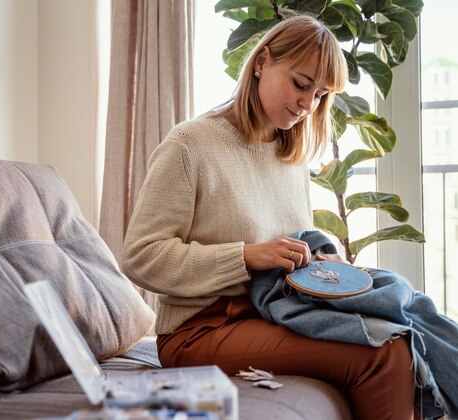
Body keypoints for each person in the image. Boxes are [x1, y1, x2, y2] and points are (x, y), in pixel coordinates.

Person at [121, 15, 417, 420]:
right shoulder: (190, 145)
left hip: (276, 310)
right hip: (200, 331)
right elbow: (141, 256)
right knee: (385, 352)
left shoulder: (289, 156)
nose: (307, 104)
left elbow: (290, 239)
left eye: (320, 95)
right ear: (261, 62)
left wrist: (322, 259)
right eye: (301, 84)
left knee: (408, 331)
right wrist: (244, 257)